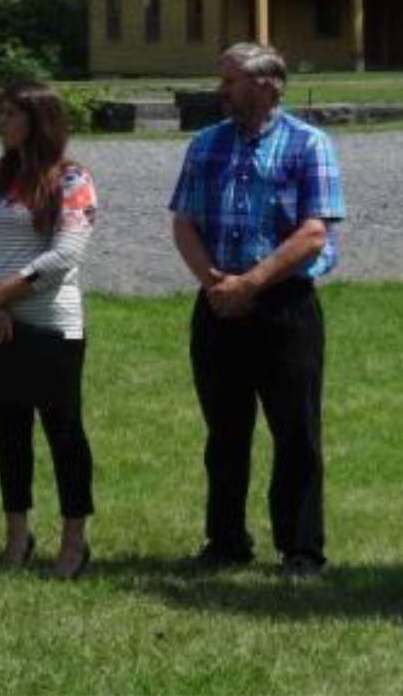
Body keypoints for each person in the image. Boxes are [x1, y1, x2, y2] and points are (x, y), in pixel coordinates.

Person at [169, 42, 344, 578]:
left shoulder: (308, 145)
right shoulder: (205, 146)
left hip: (284, 308)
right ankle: (225, 540)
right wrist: (215, 283)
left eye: (230, 82)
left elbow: (315, 231)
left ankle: (301, 549)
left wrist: (254, 282)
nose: (220, 91)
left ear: (265, 86)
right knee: (225, 431)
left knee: (295, 432)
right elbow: (184, 223)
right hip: (219, 305)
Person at [0, 80, 99, 580]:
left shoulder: (72, 179)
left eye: (11, 113)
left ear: (38, 120)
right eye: (1, 113)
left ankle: (74, 541)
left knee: (64, 434)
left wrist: (4, 293)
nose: (1, 122)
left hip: (53, 326)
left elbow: (65, 256)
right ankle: (17, 534)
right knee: (9, 434)